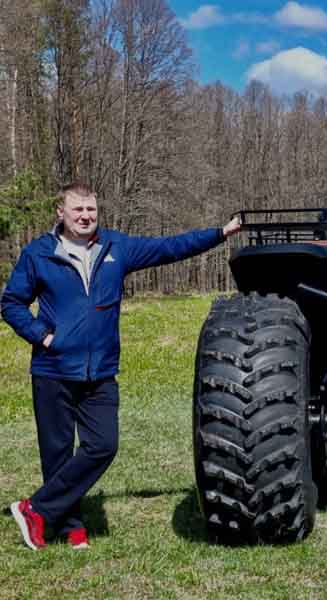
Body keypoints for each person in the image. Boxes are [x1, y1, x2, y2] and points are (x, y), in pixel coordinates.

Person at [1, 182, 242, 550]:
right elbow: (12, 303)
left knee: (103, 445)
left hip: (100, 371)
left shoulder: (117, 247)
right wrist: (42, 336)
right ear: (61, 213)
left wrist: (220, 233)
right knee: (57, 453)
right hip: (53, 369)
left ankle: (35, 509)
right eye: (78, 209)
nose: (85, 216)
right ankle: (69, 526)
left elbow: (168, 248)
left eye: (91, 210)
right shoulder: (39, 253)